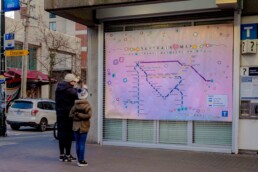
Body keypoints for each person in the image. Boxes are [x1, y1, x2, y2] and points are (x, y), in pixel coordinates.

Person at [55, 73, 78, 162]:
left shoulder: (59, 88)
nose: (74, 83)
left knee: (61, 134)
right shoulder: (69, 90)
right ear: (70, 81)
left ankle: (61, 155)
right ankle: (68, 155)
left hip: (59, 114)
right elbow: (79, 95)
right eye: (74, 81)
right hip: (68, 114)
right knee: (68, 135)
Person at [69, 84, 92, 167]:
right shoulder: (87, 105)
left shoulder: (75, 105)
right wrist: (80, 115)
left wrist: (77, 115)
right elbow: (89, 116)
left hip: (75, 127)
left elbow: (70, 115)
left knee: (78, 143)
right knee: (82, 144)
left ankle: (79, 159)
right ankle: (81, 160)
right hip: (84, 127)